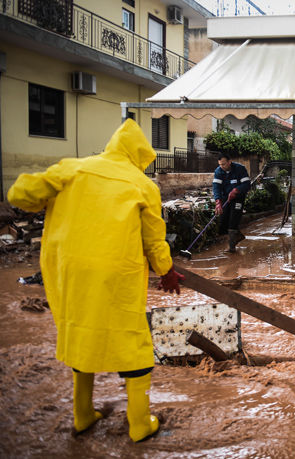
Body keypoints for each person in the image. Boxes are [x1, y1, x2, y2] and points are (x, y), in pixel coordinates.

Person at [7, 119, 184, 442]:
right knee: (132, 342)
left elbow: (20, 194)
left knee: (81, 331)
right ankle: (140, 423)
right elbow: (154, 241)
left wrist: (46, 201)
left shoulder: (72, 169)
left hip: (68, 270)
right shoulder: (141, 184)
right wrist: (166, 271)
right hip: (116, 272)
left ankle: (83, 415)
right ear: (139, 155)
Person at [213, 153, 251, 253]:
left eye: (224, 164)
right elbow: (216, 187)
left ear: (229, 162)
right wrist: (218, 201)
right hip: (226, 198)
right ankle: (237, 236)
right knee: (223, 219)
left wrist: (236, 190)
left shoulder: (240, 169)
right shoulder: (218, 171)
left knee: (233, 220)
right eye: (220, 164)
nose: (222, 167)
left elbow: (247, 184)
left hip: (238, 198)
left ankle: (231, 247)